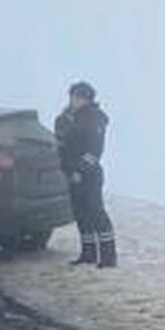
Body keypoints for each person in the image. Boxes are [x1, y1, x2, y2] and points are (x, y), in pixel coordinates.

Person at [57, 81, 115, 267]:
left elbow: (95, 150)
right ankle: (88, 253)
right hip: (71, 172)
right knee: (81, 214)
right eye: (72, 96)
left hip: (89, 174)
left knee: (96, 212)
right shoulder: (67, 118)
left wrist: (80, 170)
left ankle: (108, 257)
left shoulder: (94, 118)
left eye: (77, 97)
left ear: (86, 99)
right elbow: (62, 147)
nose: (73, 100)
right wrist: (68, 170)